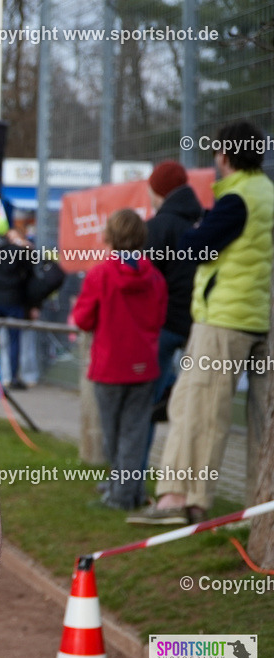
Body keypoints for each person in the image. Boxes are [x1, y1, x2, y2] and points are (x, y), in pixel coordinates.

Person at [130, 121, 273, 525]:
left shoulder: (238, 198)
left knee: (197, 408)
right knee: (259, 422)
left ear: (225, 157)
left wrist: (195, 234)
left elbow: (196, 246)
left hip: (224, 318)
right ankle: (258, 509)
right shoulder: (266, 192)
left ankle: (180, 499)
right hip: (256, 315)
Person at [73, 209, 167, 510]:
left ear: (110, 237)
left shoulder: (100, 274)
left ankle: (121, 495)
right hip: (144, 365)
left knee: (113, 434)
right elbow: (158, 318)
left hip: (109, 366)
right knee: (134, 433)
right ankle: (130, 491)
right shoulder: (155, 276)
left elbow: (83, 319)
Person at [141, 161, 202, 461]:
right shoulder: (203, 223)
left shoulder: (156, 229)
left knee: (144, 406)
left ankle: (131, 478)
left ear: (159, 191)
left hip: (162, 327)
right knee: (194, 409)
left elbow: (144, 282)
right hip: (198, 325)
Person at [0, 215, 32, 389]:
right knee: (14, 340)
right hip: (13, 301)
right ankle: (13, 378)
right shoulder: (17, 251)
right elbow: (30, 271)